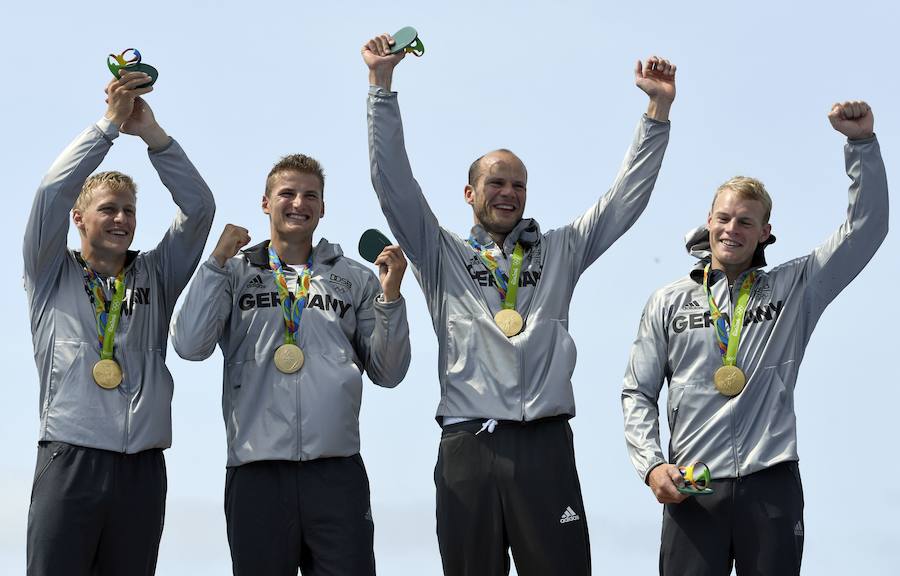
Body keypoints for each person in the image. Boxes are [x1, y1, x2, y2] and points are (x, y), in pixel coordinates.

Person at [363, 32, 676, 575]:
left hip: (544, 446)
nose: (508, 193)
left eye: (518, 185)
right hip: (468, 447)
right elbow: (393, 184)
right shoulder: (439, 254)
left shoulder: (561, 249)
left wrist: (656, 111)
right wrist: (380, 86)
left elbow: (623, 200)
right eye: (495, 183)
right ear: (469, 194)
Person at [621, 101, 888, 575]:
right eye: (724, 218)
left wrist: (861, 145)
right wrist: (651, 464)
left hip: (770, 483)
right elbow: (637, 392)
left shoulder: (795, 288)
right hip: (694, 483)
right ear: (708, 221)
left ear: (766, 232)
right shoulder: (667, 300)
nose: (732, 229)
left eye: (746, 221)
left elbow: (866, 230)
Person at [170, 153, 411, 575]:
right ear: (266, 203)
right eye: (287, 193)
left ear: (323, 207)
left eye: (310, 195)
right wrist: (214, 264)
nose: (298, 203)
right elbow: (189, 345)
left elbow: (389, 373)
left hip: (335, 470)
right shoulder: (234, 272)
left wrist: (390, 298)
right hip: (256, 471)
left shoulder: (354, 277)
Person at [23, 70, 216, 575]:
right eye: (108, 209)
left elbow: (199, 208)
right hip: (70, 459)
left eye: (128, 211)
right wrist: (109, 124)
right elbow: (51, 191)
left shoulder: (157, 270)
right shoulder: (48, 271)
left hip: (141, 469)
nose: (121, 219)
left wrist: (152, 136)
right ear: (78, 219)